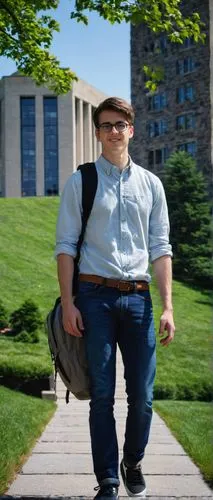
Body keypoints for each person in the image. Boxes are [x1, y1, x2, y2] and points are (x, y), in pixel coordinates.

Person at [55, 97, 175, 499]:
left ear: (131, 129)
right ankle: (107, 479)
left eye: (120, 124)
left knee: (142, 395)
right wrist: (69, 302)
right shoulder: (82, 181)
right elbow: (66, 246)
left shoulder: (151, 185)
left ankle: (133, 461)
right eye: (105, 125)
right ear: (96, 132)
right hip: (94, 298)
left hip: (139, 298)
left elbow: (160, 248)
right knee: (102, 393)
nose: (113, 131)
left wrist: (169, 306)